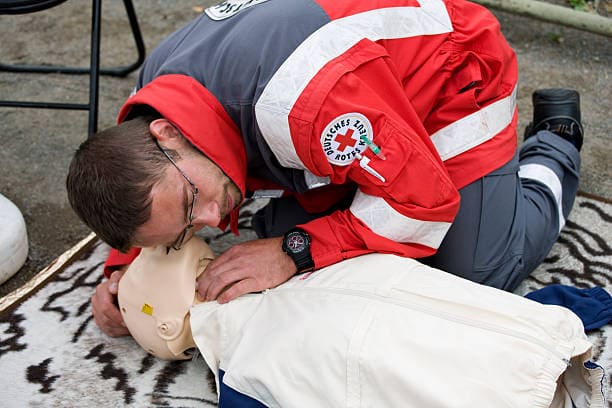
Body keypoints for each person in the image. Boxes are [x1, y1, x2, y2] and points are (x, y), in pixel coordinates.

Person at [66, 0, 583, 337]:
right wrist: (124, 271)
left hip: (450, 81)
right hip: (356, 96)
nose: (208, 220)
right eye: (186, 227)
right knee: (289, 252)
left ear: (169, 135)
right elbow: (142, 190)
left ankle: (553, 147)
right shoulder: (151, 108)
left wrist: (295, 252)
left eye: (189, 204)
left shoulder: (302, 102)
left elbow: (421, 203)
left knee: (470, 271)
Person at [117, 236, 605, 407]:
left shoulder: (242, 370)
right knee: (447, 308)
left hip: (492, 388)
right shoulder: (314, 266)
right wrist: (572, 309)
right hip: (542, 340)